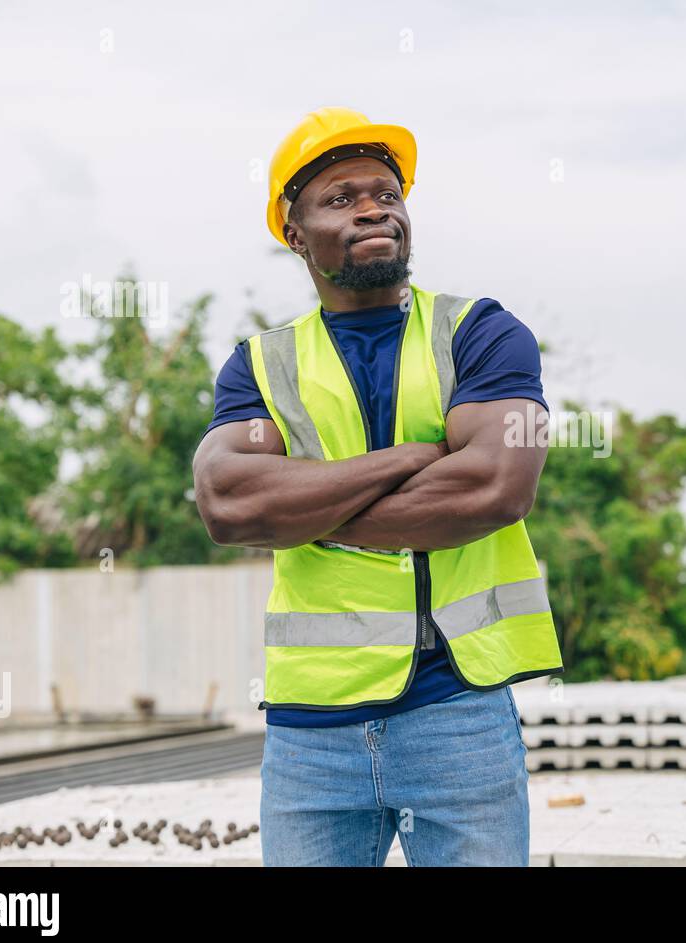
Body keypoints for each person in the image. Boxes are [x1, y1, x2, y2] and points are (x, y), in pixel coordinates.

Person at [192, 108, 563, 866]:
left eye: (387, 194)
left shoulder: (480, 333)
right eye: (341, 198)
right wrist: (411, 458)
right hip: (310, 734)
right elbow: (230, 504)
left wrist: (309, 509)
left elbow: (494, 487)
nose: (373, 208)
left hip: (457, 715)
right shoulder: (261, 365)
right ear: (294, 235)